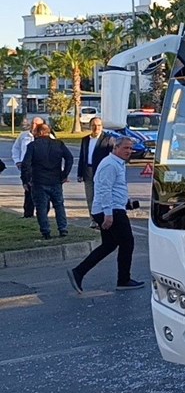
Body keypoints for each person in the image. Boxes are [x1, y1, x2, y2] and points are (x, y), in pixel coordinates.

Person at [67, 137, 145, 293]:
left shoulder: (117, 163)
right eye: (126, 148)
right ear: (115, 148)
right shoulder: (110, 164)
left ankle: (78, 272)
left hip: (113, 208)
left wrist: (126, 202)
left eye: (131, 149)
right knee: (127, 243)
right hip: (111, 211)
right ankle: (123, 280)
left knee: (109, 245)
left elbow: (115, 189)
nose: (129, 151)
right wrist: (108, 215)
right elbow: (104, 190)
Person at [20, 123, 73, 239]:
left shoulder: (33, 146)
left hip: (39, 181)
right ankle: (63, 228)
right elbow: (69, 158)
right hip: (56, 179)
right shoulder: (59, 144)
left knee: (41, 208)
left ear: (39, 133)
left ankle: (46, 231)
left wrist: (26, 179)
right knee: (59, 205)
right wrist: (64, 174)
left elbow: (26, 165)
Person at [77, 117, 114, 228]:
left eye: (98, 125)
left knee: (102, 196)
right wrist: (80, 173)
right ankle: (93, 219)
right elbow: (82, 156)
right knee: (90, 197)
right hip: (88, 171)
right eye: (93, 125)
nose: (96, 127)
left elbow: (112, 157)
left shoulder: (108, 139)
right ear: (89, 126)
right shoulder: (85, 139)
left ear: (102, 126)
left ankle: (104, 219)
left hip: (102, 173)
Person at [12, 116, 46, 218]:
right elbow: (16, 148)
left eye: (38, 124)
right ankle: (28, 213)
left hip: (40, 168)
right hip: (27, 167)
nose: (34, 126)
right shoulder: (24, 135)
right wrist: (18, 161)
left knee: (40, 191)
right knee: (28, 189)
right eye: (33, 123)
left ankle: (41, 214)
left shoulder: (47, 136)